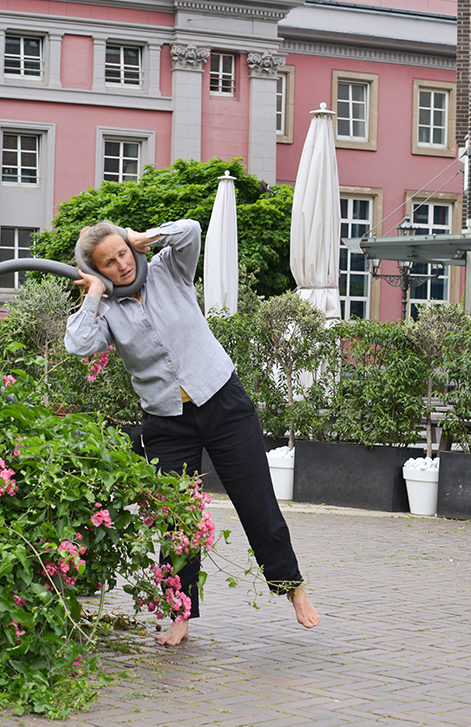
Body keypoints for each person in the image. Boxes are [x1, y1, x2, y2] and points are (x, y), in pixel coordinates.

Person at [64, 219, 320, 646]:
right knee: (176, 522)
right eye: (108, 263)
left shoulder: (168, 270)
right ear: (96, 270)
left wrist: (143, 238)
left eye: (123, 253)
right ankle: (179, 616)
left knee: (255, 501)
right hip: (166, 422)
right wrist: (93, 294)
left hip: (222, 402)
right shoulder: (106, 310)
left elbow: (191, 230)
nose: (122, 265)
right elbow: (77, 344)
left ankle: (292, 587)